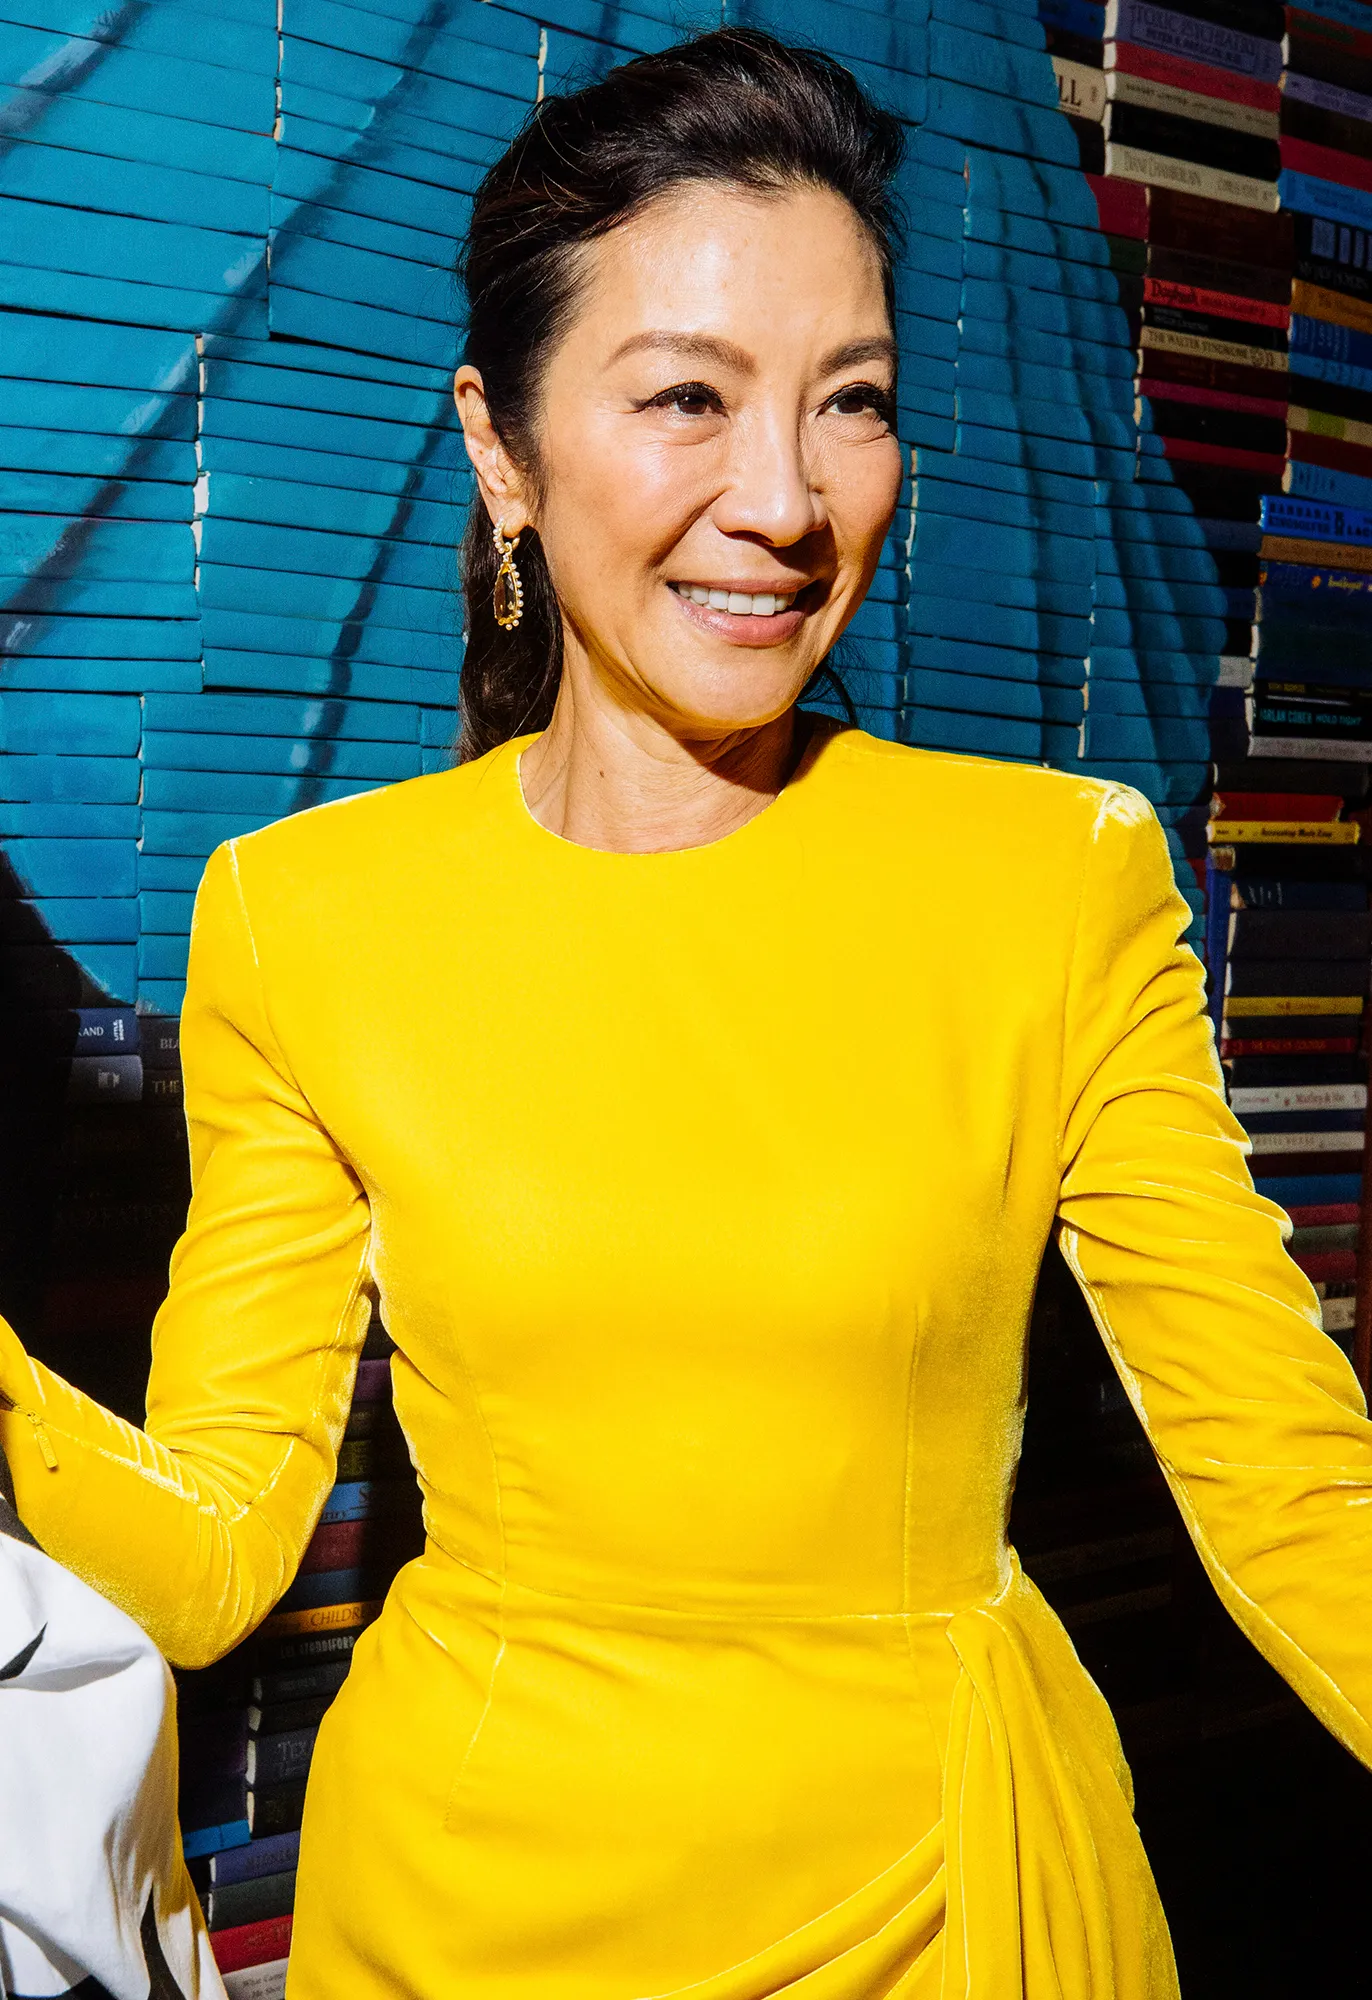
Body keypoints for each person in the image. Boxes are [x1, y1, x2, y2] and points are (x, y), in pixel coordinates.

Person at [1, 28, 1370, 1998]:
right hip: (460, 1916)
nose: (787, 499)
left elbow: (1292, 1494)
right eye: (686, 399)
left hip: (940, 1904)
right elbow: (216, 1547)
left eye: (850, 402)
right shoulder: (304, 918)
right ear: (502, 451)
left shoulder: (1048, 881)